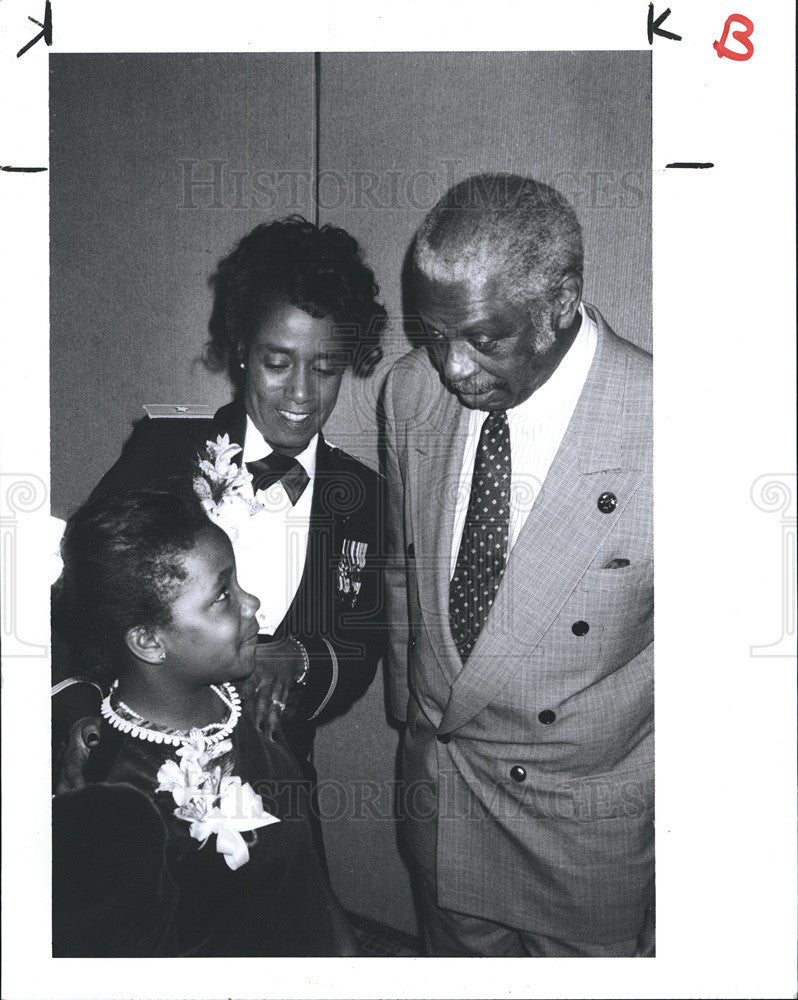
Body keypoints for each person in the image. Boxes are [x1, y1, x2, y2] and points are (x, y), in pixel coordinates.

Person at [382, 173, 654, 957]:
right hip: (443, 802)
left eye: (483, 338)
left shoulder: (669, 420)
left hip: (586, 837)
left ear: (560, 302)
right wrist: (415, 723)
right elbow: (407, 575)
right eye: (433, 336)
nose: (453, 370)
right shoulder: (409, 394)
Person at [53, 216, 387, 781]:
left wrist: (297, 660)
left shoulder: (364, 497)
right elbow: (79, 591)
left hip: (276, 779)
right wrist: (74, 705)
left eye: (326, 368)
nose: (302, 394)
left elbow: (361, 645)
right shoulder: (167, 451)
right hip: (136, 772)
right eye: (277, 364)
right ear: (240, 352)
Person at [51, 487, 358, 956]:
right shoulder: (115, 798)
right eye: (222, 596)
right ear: (150, 642)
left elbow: (302, 872)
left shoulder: (248, 703)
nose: (252, 603)